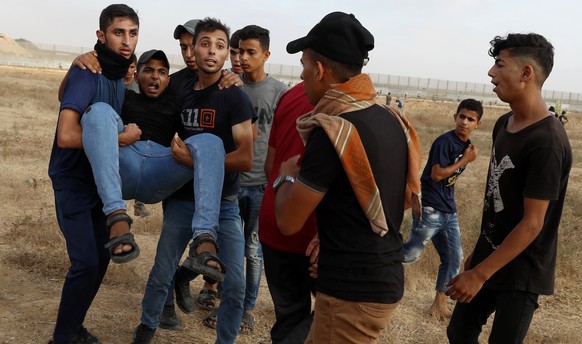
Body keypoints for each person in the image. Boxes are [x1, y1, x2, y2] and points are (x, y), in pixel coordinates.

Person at [275, 12, 421, 343]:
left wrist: (285, 178)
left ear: (319, 70)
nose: (301, 76)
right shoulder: (390, 119)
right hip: (380, 276)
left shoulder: (333, 132)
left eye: (303, 66)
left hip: (351, 292)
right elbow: (392, 197)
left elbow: (288, 221)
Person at [132, 18, 255, 344]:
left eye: (219, 46)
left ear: (227, 53)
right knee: (161, 270)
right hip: (183, 199)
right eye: (201, 45)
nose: (208, 52)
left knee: (235, 284)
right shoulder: (177, 87)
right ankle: (145, 328)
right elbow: (141, 95)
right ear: (192, 51)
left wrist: (197, 160)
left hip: (224, 204)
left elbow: (245, 157)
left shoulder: (234, 95)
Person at [446, 33, 572, 344]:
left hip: (522, 272)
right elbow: (496, 199)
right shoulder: (504, 124)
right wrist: (478, 254)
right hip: (490, 257)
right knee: (459, 332)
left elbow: (532, 223)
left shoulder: (547, 141)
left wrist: (478, 274)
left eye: (500, 64)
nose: (491, 72)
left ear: (527, 73)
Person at [47, 4, 139, 344]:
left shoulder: (118, 73)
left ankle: (73, 326)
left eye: (132, 33)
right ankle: (61, 337)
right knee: (85, 261)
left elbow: (63, 94)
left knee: (100, 259)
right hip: (72, 179)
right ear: (101, 36)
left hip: (98, 181)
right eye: (118, 32)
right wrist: (121, 139)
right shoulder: (90, 70)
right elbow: (66, 136)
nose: (126, 40)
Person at [403, 98, 483, 319]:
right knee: (409, 255)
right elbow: (437, 175)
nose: (464, 122)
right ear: (455, 117)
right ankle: (367, 261)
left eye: (471, 119)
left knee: (453, 257)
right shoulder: (444, 142)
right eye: (462, 117)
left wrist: (467, 156)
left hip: (449, 212)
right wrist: (465, 160)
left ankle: (438, 305)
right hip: (431, 209)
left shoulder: (467, 146)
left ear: (478, 124)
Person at [235, 24, 288, 334]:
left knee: (253, 250)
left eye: (251, 52)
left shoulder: (279, 92)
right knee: (228, 246)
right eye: (240, 51)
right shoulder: (231, 86)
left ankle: (248, 307)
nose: (243, 57)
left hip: (261, 185)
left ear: (266, 55)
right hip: (231, 182)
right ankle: (223, 295)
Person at [259, 81, 318, 343]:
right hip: (316, 234)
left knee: (290, 314)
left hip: (274, 219)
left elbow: (270, 164)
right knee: (335, 314)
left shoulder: (290, 95)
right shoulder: (346, 106)